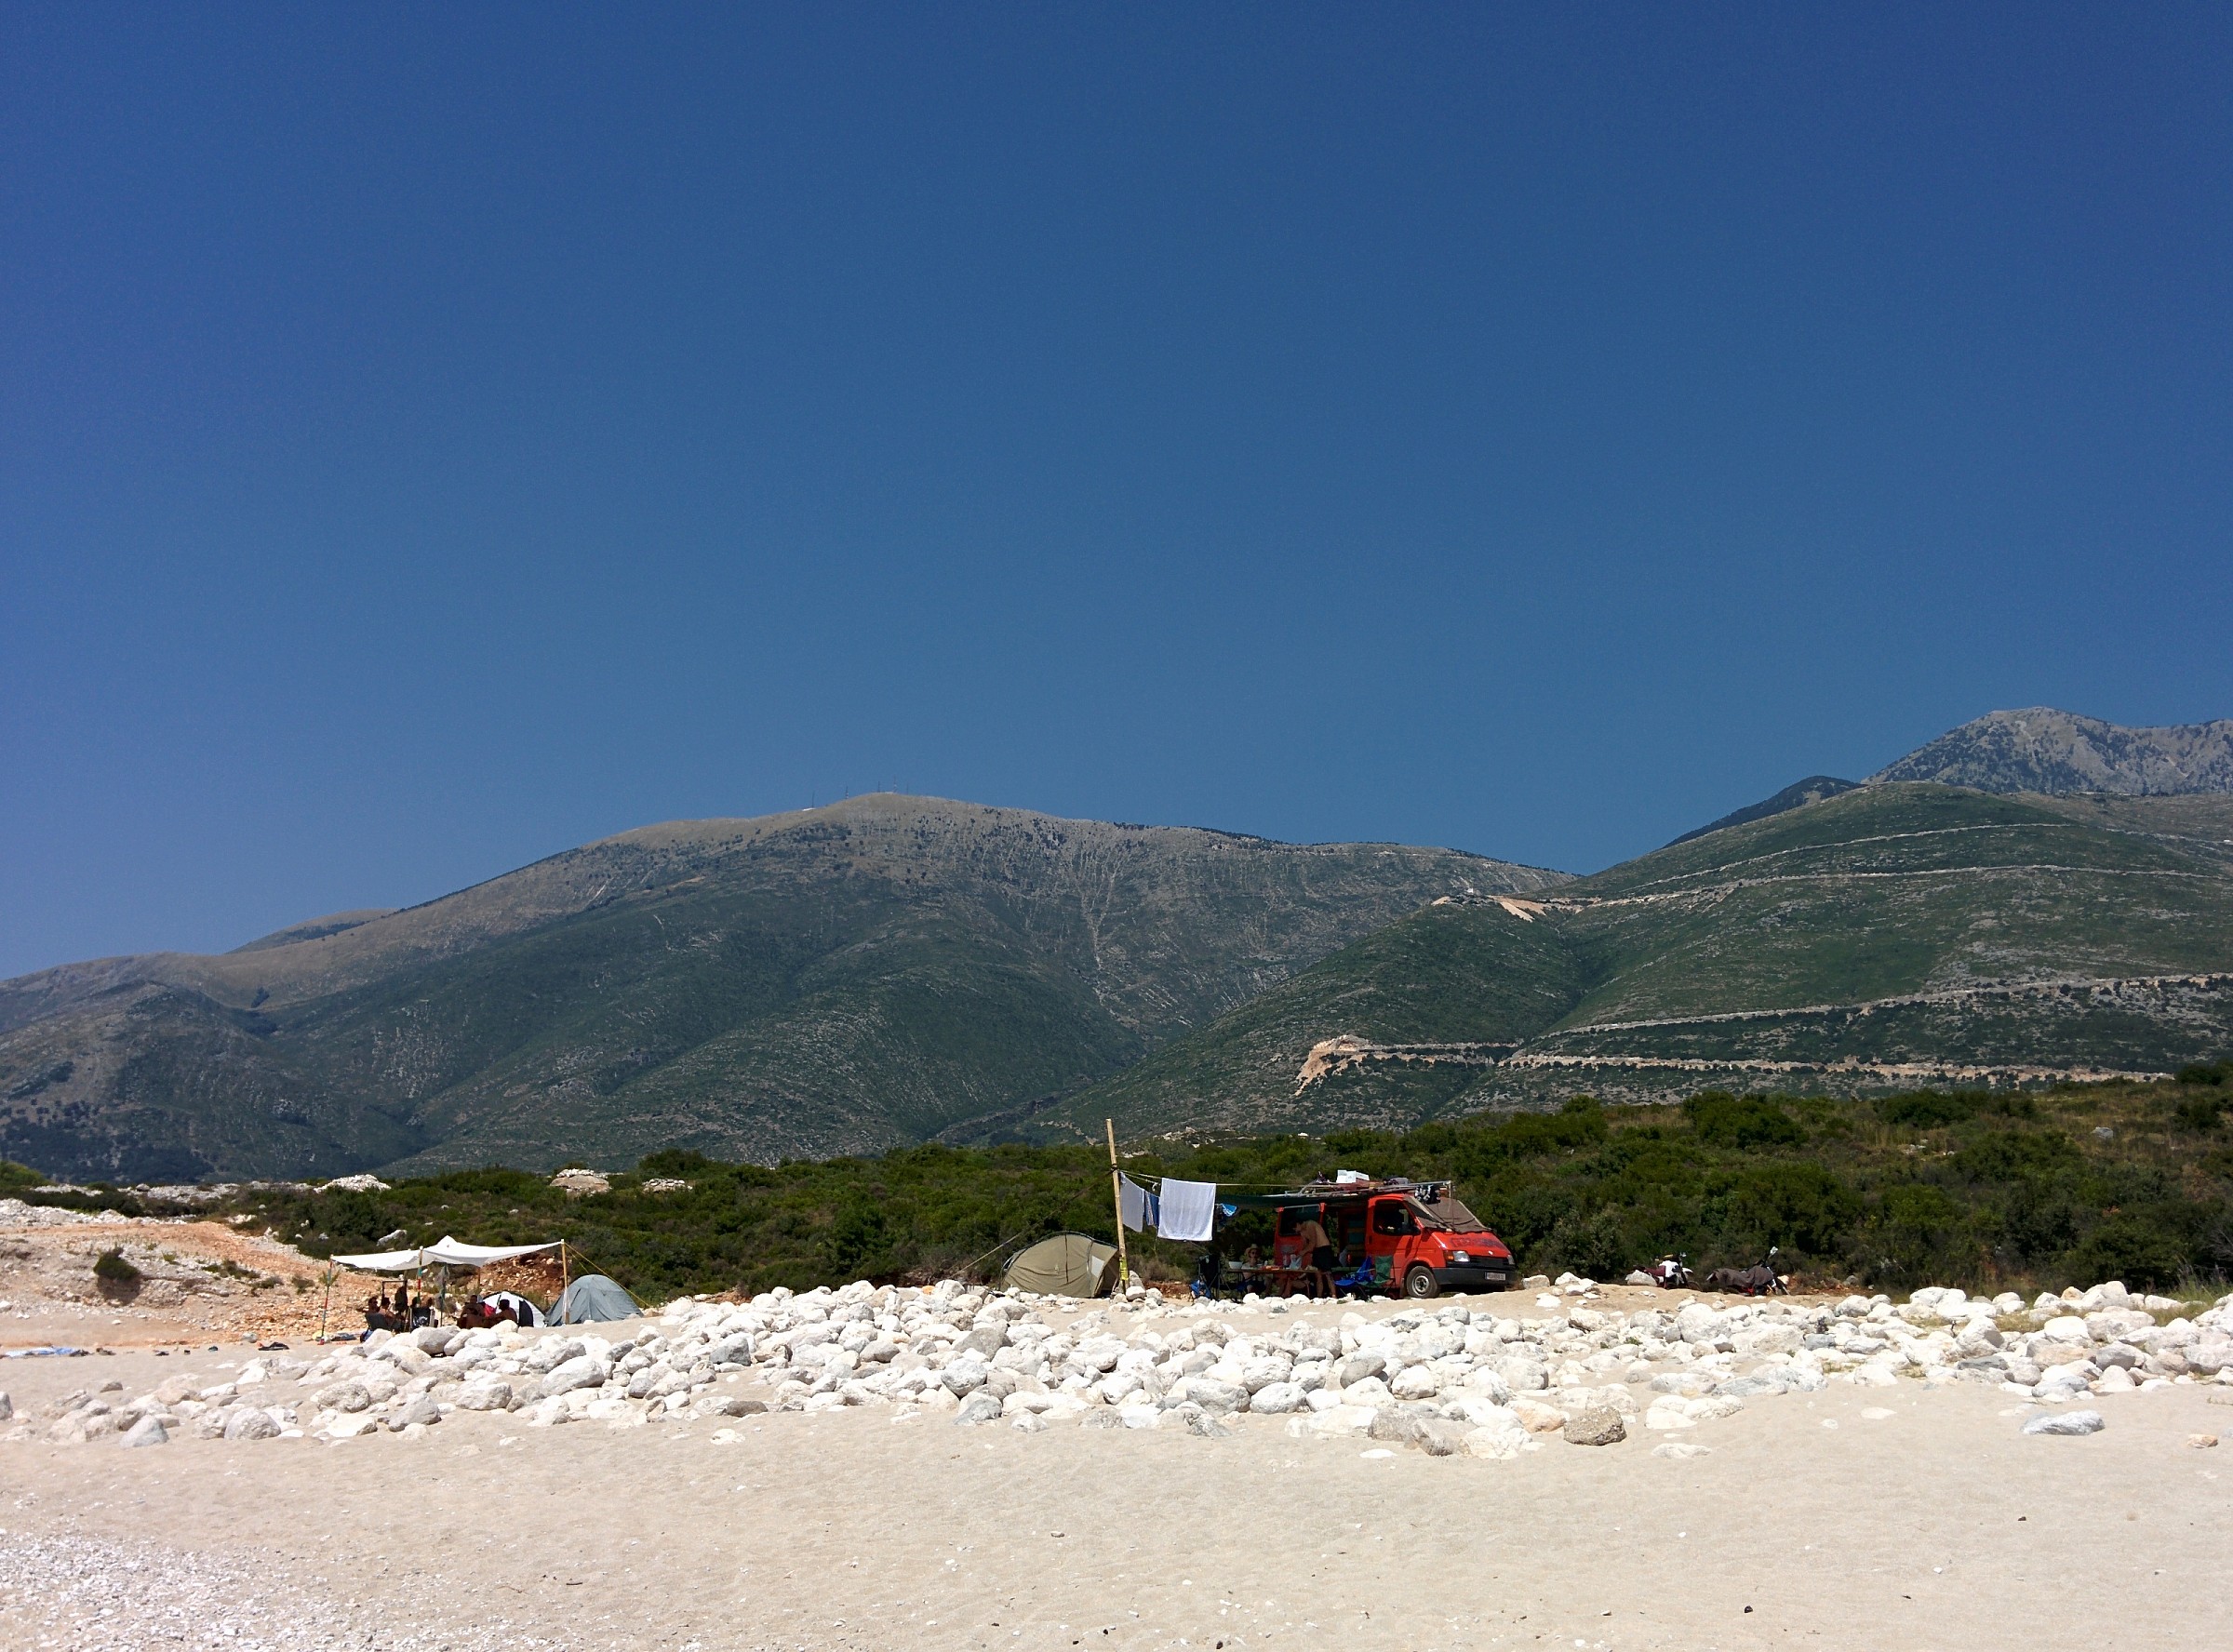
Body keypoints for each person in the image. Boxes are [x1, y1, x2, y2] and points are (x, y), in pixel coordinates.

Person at [1297, 1211, 1336, 1299]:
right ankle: (1319, 1296)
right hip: (1316, 1251)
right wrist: (1301, 1253)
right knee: (1318, 1275)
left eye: (1295, 1228)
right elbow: (1306, 1245)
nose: (1296, 1230)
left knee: (1327, 1273)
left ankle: (1333, 1294)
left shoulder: (1310, 1224)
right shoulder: (1302, 1232)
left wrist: (1304, 1252)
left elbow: (1313, 1242)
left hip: (1323, 1249)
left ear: (1298, 1224)